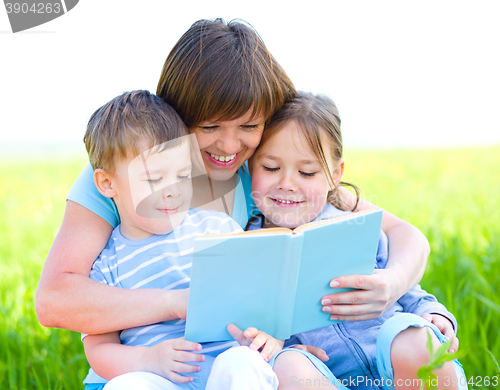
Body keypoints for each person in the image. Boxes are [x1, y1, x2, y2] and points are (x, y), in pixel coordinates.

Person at [36, 18, 429, 349]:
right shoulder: (128, 173)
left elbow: (402, 233)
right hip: (145, 363)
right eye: (209, 126)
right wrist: (180, 303)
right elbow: (55, 300)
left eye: (249, 126)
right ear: (178, 112)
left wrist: (392, 284)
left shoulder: (261, 171)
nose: (229, 146)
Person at [245, 91, 466, 390]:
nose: (287, 183)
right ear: (249, 167)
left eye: (307, 172)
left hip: (395, 368)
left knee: (414, 338)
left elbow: (407, 290)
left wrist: (433, 314)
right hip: (331, 378)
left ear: (334, 174)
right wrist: (283, 351)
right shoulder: (247, 247)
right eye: (270, 168)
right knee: (287, 366)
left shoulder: (355, 226)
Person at [80, 89, 286, 390]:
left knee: (243, 364)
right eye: (154, 179)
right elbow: (99, 349)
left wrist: (270, 335)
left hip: (224, 365)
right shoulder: (106, 266)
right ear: (107, 183)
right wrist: (149, 359)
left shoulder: (218, 229)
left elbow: (262, 298)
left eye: (182, 175)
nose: (172, 190)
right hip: (157, 376)